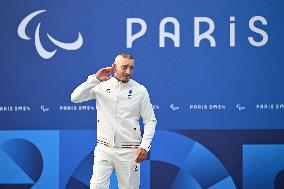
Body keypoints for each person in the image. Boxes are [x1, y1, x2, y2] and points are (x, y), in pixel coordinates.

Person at [70, 52, 157, 189]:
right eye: (124, 67)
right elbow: (75, 97)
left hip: (129, 152)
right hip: (104, 149)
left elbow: (150, 120)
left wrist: (145, 146)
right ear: (114, 67)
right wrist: (95, 79)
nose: (128, 71)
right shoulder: (101, 85)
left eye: (131, 68)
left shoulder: (140, 91)